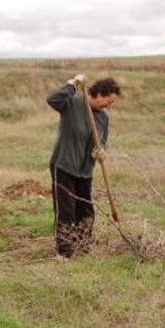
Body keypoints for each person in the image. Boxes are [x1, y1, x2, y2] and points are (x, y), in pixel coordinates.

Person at [46, 74, 121, 258]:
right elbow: (52, 99)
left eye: (111, 103)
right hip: (64, 165)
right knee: (66, 210)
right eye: (107, 101)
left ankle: (83, 243)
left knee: (86, 209)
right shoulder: (72, 104)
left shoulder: (103, 118)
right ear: (98, 94)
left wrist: (100, 151)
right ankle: (64, 252)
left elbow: (100, 142)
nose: (108, 106)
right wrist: (72, 83)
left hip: (85, 170)